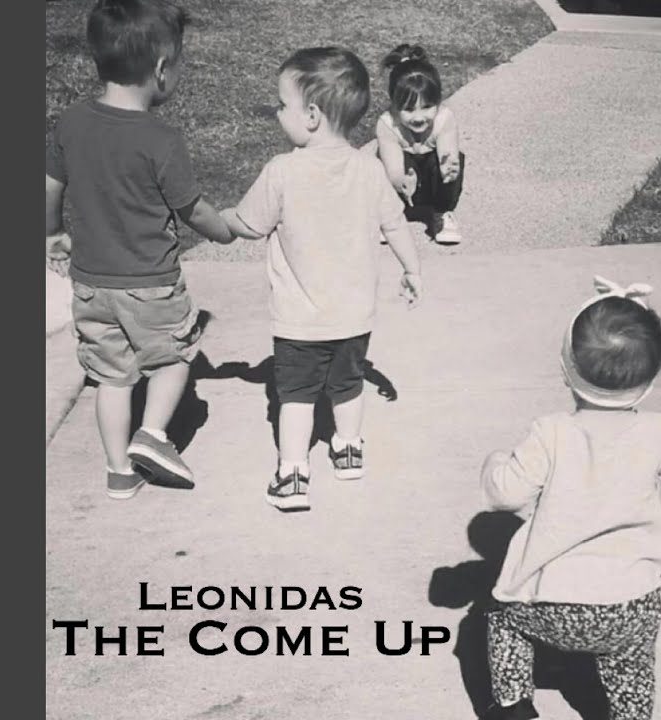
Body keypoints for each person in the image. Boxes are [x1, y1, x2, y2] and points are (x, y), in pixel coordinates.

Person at [478, 277, 661, 720]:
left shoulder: (551, 432)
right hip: (629, 606)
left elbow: (504, 494)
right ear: (649, 381)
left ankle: (513, 705)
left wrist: (495, 463)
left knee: (502, 618)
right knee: (632, 663)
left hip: (548, 606)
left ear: (565, 370)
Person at [45, 0, 236, 500]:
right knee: (175, 358)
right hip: (152, 283)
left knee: (111, 378)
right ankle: (152, 434)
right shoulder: (160, 139)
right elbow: (192, 209)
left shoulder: (71, 123)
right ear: (161, 68)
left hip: (91, 285)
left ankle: (118, 473)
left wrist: (51, 233)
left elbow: (49, 186)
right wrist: (224, 231)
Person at [220, 47, 423, 513]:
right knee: (348, 385)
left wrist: (220, 218)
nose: (277, 113)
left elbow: (249, 224)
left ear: (311, 116)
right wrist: (412, 269)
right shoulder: (370, 169)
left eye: (282, 105)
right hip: (354, 317)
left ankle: (292, 474)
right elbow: (395, 225)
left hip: (300, 321)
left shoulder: (282, 171)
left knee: (294, 396)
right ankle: (348, 449)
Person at [366, 44, 466, 245]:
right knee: (380, 165)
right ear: (395, 105)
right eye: (409, 109)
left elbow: (447, 150)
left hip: (430, 178)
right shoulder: (387, 124)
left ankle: (442, 212)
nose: (419, 117)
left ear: (438, 102)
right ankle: (390, 214)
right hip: (404, 178)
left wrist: (449, 167)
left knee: (452, 160)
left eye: (427, 107)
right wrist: (399, 180)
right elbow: (392, 165)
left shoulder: (444, 119)